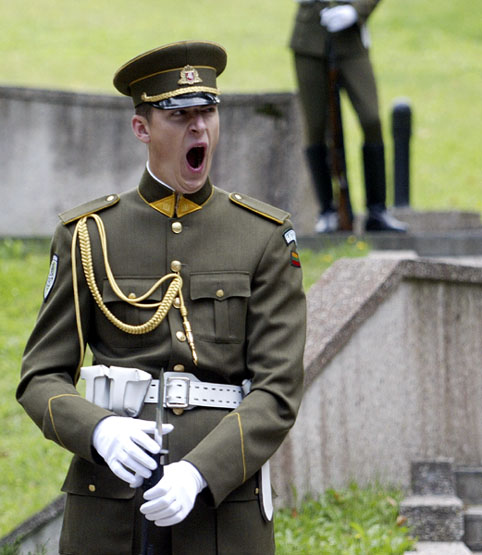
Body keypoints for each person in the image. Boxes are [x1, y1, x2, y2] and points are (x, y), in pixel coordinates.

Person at [17, 40, 306, 554]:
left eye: (207, 112)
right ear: (141, 127)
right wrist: (100, 431)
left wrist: (200, 472)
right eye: (179, 116)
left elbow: (278, 390)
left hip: (221, 511)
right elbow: (41, 377)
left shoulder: (263, 236)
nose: (199, 129)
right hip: (109, 505)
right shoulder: (89, 234)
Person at [290, 0, 407, 233]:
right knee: (315, 127)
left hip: (350, 40)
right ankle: (327, 210)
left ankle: (377, 210)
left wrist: (356, 10)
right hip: (310, 39)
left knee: (371, 119)